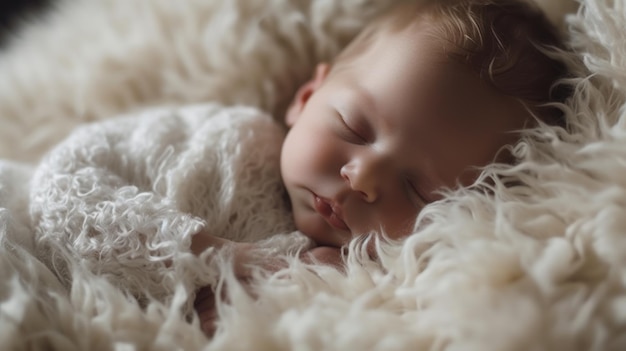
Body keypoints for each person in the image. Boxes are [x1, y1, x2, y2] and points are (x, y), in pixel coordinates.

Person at [28, 0, 570, 336]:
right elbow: (62, 189)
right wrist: (219, 258)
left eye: (420, 190)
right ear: (307, 96)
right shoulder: (223, 141)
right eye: (354, 129)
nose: (365, 178)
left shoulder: (348, 283)